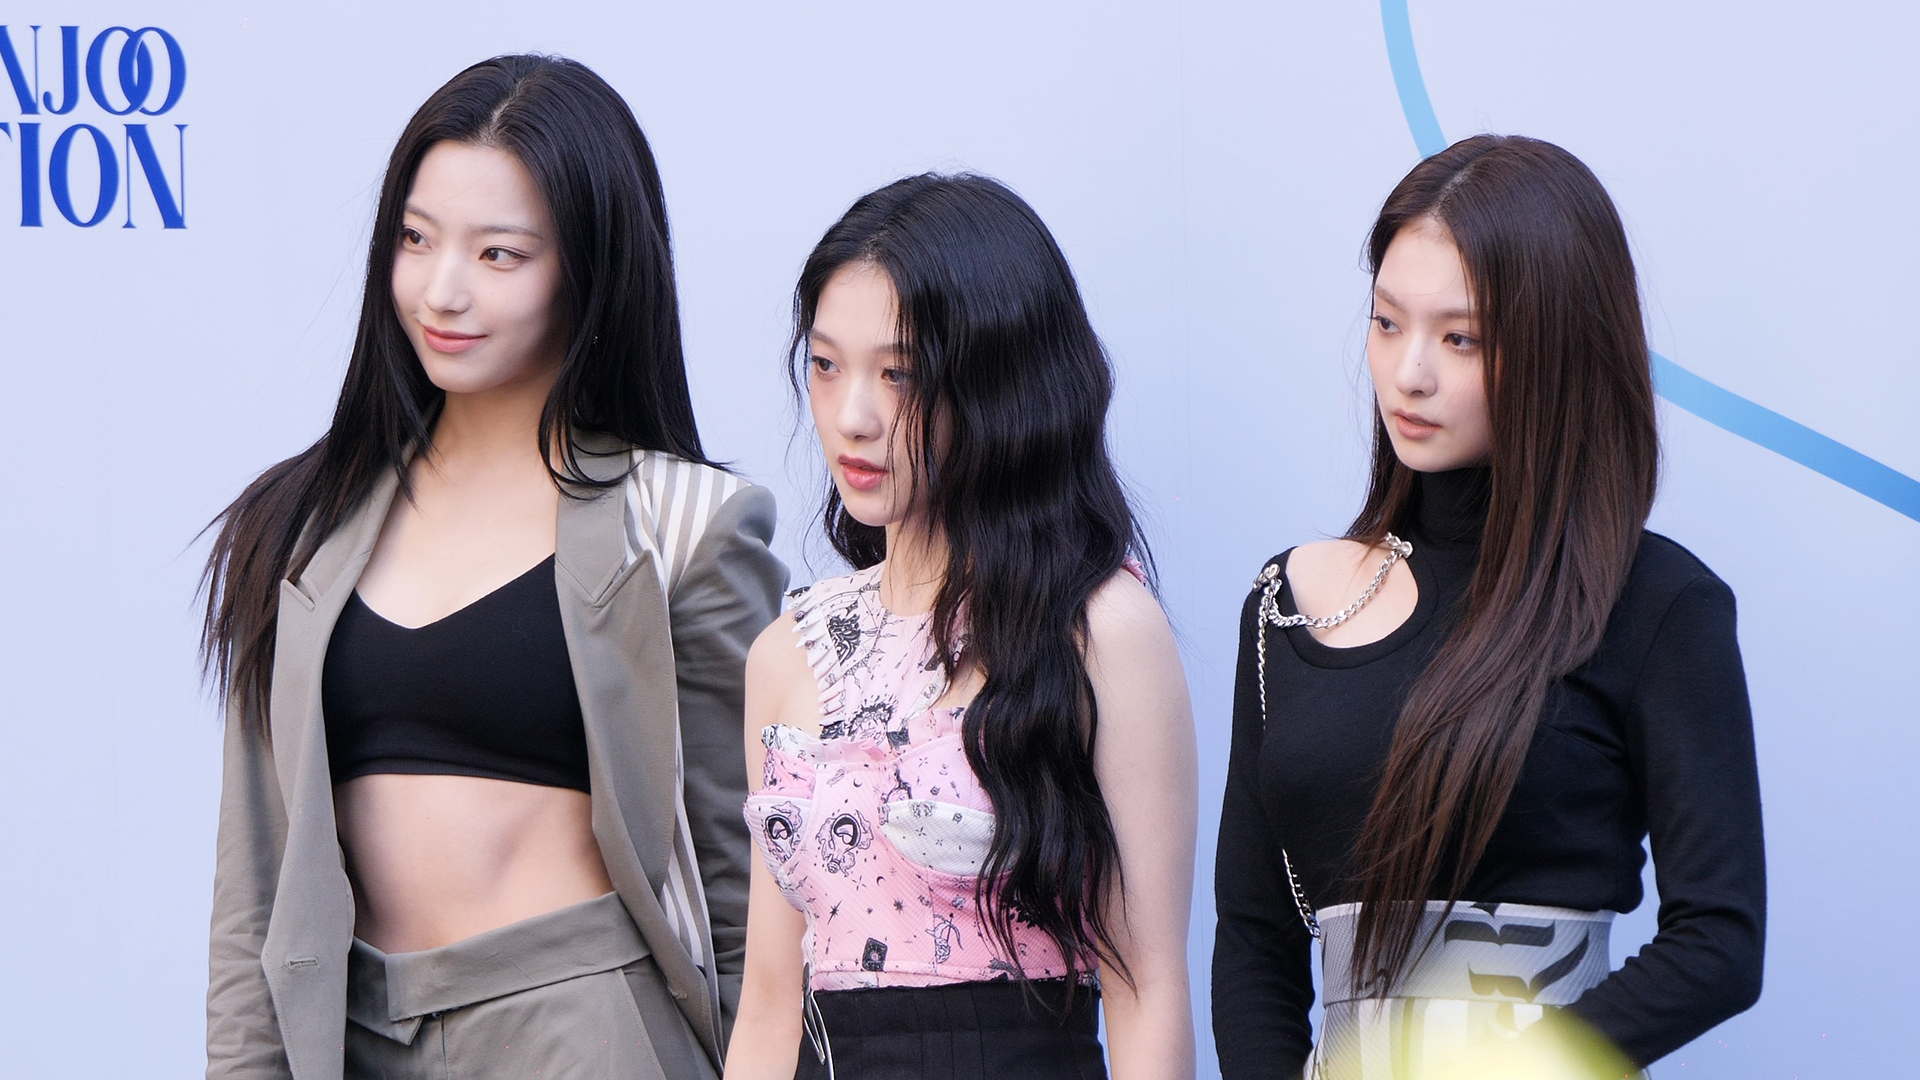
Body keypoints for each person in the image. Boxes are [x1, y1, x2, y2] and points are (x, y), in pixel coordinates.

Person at [200, 55, 785, 1080]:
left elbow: (749, 894)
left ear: (588, 270)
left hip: (582, 1033)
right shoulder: (300, 523)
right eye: (415, 240)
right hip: (351, 1033)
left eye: (499, 254)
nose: (443, 289)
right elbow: (254, 891)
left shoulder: (684, 525)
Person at [1211, 135, 1766, 1079]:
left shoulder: (1658, 605)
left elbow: (1719, 942)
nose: (1410, 372)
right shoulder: (1290, 603)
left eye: (1459, 338)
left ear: (1557, 346)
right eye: (1388, 323)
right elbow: (1254, 937)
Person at [724, 174, 1199, 1080]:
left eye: (898, 374)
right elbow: (770, 1002)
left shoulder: (1099, 630)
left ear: (1001, 385)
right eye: (825, 365)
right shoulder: (788, 653)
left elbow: (1147, 991)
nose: (853, 416)